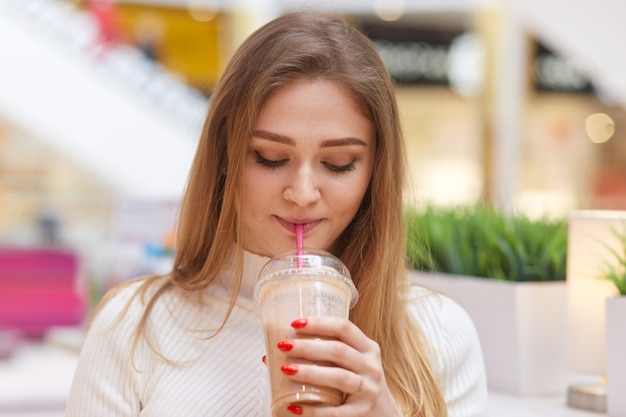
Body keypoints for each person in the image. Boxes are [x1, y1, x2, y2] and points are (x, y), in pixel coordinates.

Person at [64, 11, 488, 417]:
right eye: (269, 157)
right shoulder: (133, 326)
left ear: (376, 171)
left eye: (339, 163)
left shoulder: (439, 333)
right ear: (225, 155)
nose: (302, 194)